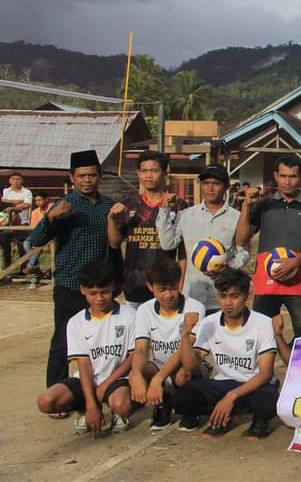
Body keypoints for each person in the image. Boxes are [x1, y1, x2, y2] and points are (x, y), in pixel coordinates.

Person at [26, 150, 116, 389]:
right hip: (69, 284)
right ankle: (57, 391)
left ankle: (105, 387)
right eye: (82, 175)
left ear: (99, 176)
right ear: (72, 178)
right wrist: (50, 217)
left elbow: (115, 244)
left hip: (100, 287)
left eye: (92, 175)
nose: (87, 180)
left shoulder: (108, 205)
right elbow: (36, 240)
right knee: (63, 341)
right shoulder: (64, 206)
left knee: (103, 338)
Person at [175, 267, 279, 439]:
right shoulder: (209, 322)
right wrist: (185, 336)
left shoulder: (263, 323)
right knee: (182, 397)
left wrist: (231, 396)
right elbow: (190, 368)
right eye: (223, 296)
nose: (228, 303)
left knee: (265, 404)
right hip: (224, 384)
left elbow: (266, 373)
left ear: (247, 296)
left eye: (234, 296)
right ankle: (223, 415)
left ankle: (258, 420)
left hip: (254, 384)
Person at [35, 261, 137, 434]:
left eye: (104, 292)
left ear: (113, 287)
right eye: (93, 293)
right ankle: (85, 410)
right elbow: (83, 364)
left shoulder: (129, 314)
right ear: (82, 290)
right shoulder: (76, 322)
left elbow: (133, 357)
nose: (99, 298)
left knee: (122, 406)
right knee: (46, 401)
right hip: (89, 378)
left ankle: (116, 411)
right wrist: (91, 405)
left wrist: (105, 385)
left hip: (118, 378)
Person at [237, 154, 301, 337]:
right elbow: (241, 238)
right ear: (276, 176)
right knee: (262, 337)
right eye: (283, 176)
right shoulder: (263, 205)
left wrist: (295, 262)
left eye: (292, 176)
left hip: (299, 283)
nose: (287, 181)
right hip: (266, 283)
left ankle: (299, 366)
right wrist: (246, 205)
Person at [156, 164, 249, 312]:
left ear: (226, 187)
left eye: (216, 184)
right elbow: (167, 244)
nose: (210, 188)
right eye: (206, 183)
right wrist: (165, 210)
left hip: (223, 298)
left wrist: (228, 266)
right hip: (193, 296)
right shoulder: (186, 215)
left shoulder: (237, 218)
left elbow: (243, 252)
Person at [129, 258, 206, 430]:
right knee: (141, 368)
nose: (168, 295)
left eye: (173, 288)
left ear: (180, 283)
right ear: (150, 287)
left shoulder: (195, 307)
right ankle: (162, 406)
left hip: (188, 364)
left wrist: (158, 378)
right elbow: (141, 348)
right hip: (161, 364)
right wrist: (136, 374)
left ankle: (190, 410)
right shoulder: (144, 310)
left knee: (182, 373)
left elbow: (182, 352)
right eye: (162, 289)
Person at [107, 150, 186, 307]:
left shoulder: (178, 206)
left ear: (165, 173)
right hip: (134, 284)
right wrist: (111, 219)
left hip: (166, 286)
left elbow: (184, 251)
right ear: (138, 173)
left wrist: (181, 284)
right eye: (144, 171)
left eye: (154, 171)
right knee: (138, 331)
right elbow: (114, 242)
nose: (148, 176)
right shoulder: (128, 204)